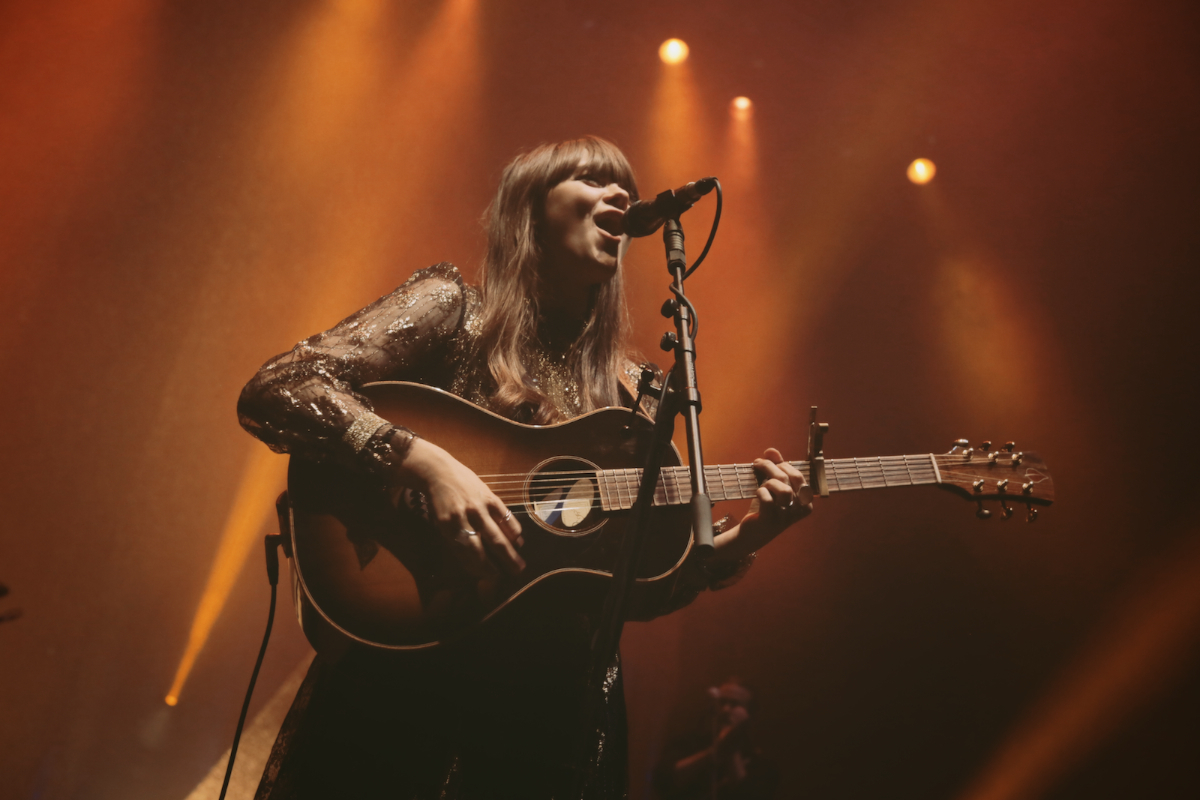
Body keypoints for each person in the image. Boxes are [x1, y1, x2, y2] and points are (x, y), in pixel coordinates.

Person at [237, 136, 812, 799]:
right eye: (591, 177)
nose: (620, 194)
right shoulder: (454, 308)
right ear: (529, 210)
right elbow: (280, 388)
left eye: (626, 186)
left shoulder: (637, 391)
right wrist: (425, 464)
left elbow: (631, 590)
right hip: (412, 677)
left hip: (551, 717)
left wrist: (747, 536)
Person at [653, 679, 779, 800]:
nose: (725, 709)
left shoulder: (762, 765)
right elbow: (664, 779)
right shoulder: (688, 742)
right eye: (722, 702)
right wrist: (713, 752)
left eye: (734, 704)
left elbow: (748, 796)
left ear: (750, 714)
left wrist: (730, 745)